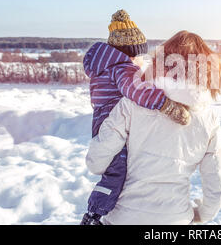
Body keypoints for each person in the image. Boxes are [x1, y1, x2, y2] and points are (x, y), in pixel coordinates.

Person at [86, 31, 221, 225]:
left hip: (123, 218)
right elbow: (217, 181)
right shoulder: (209, 118)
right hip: (176, 220)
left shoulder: (132, 104)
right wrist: (204, 214)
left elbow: (97, 162)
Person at [80, 11, 191, 225]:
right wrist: (167, 105)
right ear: (129, 52)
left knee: (125, 165)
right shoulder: (122, 69)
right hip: (110, 125)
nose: (140, 61)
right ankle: (94, 214)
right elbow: (137, 91)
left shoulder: (106, 67)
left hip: (105, 121)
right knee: (117, 170)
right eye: (138, 56)